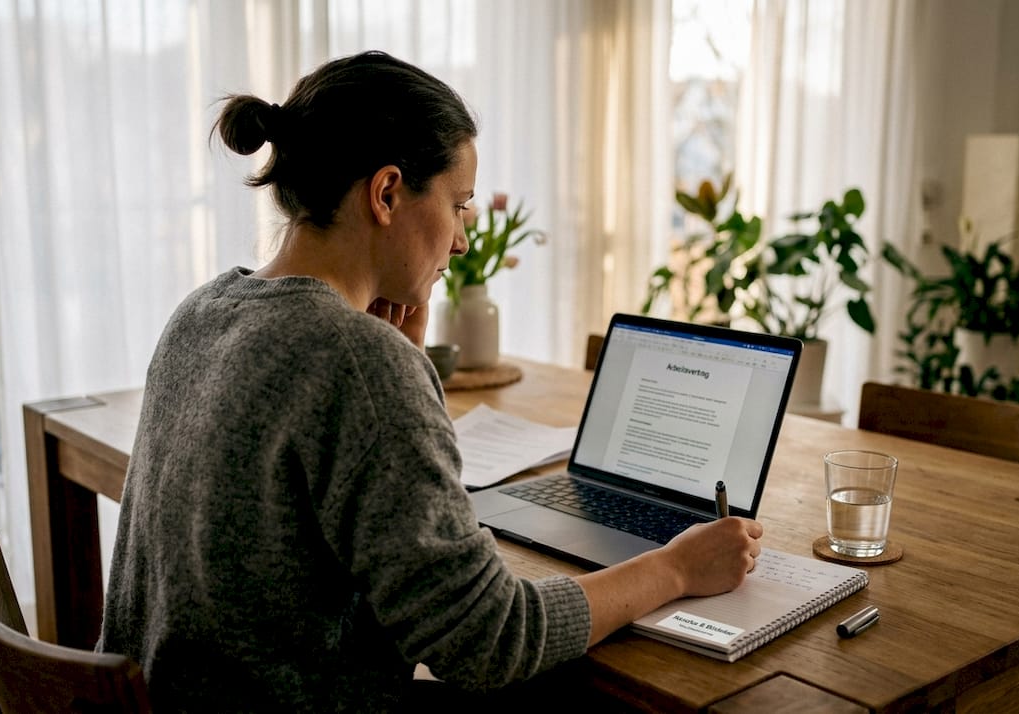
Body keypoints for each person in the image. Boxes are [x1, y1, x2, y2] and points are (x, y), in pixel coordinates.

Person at [98, 50, 764, 713]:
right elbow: (488, 642)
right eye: (460, 205)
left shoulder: (204, 310)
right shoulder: (355, 361)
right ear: (387, 193)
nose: (463, 241)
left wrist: (401, 365)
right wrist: (674, 567)